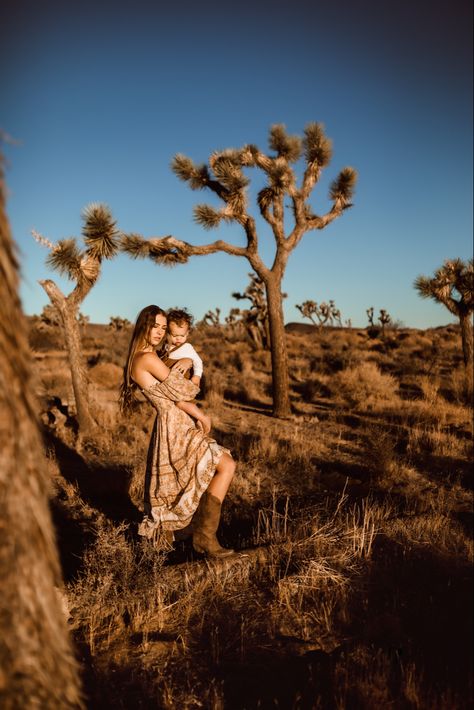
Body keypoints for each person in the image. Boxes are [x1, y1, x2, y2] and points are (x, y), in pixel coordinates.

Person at [119, 305, 235, 557]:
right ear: (144, 326)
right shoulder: (147, 359)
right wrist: (190, 365)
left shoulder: (147, 356)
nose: (160, 332)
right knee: (224, 466)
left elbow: (173, 393)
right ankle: (202, 538)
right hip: (175, 426)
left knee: (191, 479)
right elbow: (185, 391)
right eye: (156, 326)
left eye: (164, 328)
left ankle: (177, 540)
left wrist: (183, 360)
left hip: (175, 422)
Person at [161, 308, 211, 434]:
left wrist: (197, 377)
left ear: (187, 333)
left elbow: (198, 362)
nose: (178, 339)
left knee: (181, 404)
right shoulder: (165, 347)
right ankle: (199, 425)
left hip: (184, 384)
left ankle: (203, 418)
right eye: (174, 335)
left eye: (182, 336)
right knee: (180, 408)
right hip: (173, 386)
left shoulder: (187, 347)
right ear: (167, 332)